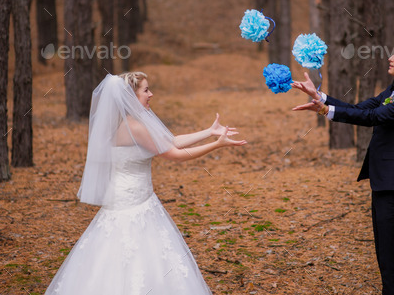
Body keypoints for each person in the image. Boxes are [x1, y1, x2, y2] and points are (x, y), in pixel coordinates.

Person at [45, 72, 246, 295]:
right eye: (146, 90)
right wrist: (217, 145)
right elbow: (175, 154)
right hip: (132, 203)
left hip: (136, 198)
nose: (151, 94)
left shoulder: (131, 122)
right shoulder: (135, 127)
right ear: (131, 96)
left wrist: (209, 132)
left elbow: (171, 141)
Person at [292, 41, 394, 295]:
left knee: (390, 258)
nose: (391, 58)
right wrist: (319, 97)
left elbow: (373, 117)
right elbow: (361, 108)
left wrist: (325, 110)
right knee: (384, 255)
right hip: (383, 182)